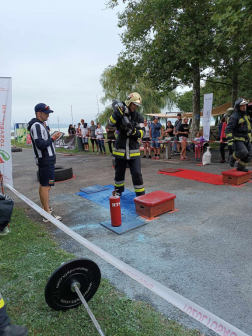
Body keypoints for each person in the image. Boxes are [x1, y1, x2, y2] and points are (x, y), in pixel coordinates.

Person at [27, 103, 62, 222]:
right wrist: (53, 138)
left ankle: (44, 208)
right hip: (45, 160)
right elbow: (40, 144)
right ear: (39, 113)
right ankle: (46, 214)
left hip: (47, 160)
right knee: (46, 186)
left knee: (44, 185)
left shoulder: (40, 125)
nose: (48, 115)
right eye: (46, 113)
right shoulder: (36, 126)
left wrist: (51, 136)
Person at [108, 92, 145, 197]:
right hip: (120, 150)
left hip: (134, 151)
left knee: (137, 174)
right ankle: (118, 192)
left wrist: (134, 133)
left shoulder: (138, 116)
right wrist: (116, 114)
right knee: (119, 174)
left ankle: (141, 195)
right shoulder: (121, 112)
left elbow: (143, 132)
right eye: (134, 105)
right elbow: (110, 124)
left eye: (137, 105)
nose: (135, 107)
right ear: (129, 102)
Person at [225, 98, 251, 172]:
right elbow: (228, 129)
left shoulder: (246, 115)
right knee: (243, 151)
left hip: (246, 138)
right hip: (237, 139)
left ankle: (240, 166)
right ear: (237, 107)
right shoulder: (234, 116)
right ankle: (232, 158)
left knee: (249, 154)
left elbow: (248, 128)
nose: (244, 107)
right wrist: (230, 141)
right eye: (242, 106)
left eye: (245, 105)